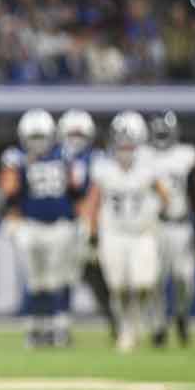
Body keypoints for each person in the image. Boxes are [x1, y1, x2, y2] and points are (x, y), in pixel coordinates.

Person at [82, 111, 169, 353]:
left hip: (142, 232)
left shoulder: (148, 167)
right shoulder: (103, 168)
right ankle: (124, 327)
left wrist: (157, 214)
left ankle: (134, 324)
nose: (125, 147)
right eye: (122, 141)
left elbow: (165, 197)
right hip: (114, 232)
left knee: (144, 283)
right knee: (118, 286)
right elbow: (93, 201)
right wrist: (91, 232)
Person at [1, 109, 82, 347]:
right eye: (33, 138)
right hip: (31, 225)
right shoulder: (16, 158)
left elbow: (76, 188)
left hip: (60, 225)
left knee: (59, 279)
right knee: (36, 281)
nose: (37, 144)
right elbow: (9, 190)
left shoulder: (64, 155)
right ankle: (35, 329)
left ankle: (60, 328)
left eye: (41, 137)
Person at [58, 109, 116, 342]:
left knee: (99, 276)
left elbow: (102, 192)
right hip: (63, 224)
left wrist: (91, 220)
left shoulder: (98, 159)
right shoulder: (55, 157)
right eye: (71, 133)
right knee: (61, 278)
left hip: (91, 225)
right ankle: (61, 325)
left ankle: (115, 321)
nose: (75, 138)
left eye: (79, 133)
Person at [147, 111, 195, 347]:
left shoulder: (185, 156)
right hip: (155, 226)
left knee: (184, 278)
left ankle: (181, 314)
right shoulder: (145, 157)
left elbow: (194, 192)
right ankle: (159, 326)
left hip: (181, 225)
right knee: (155, 280)